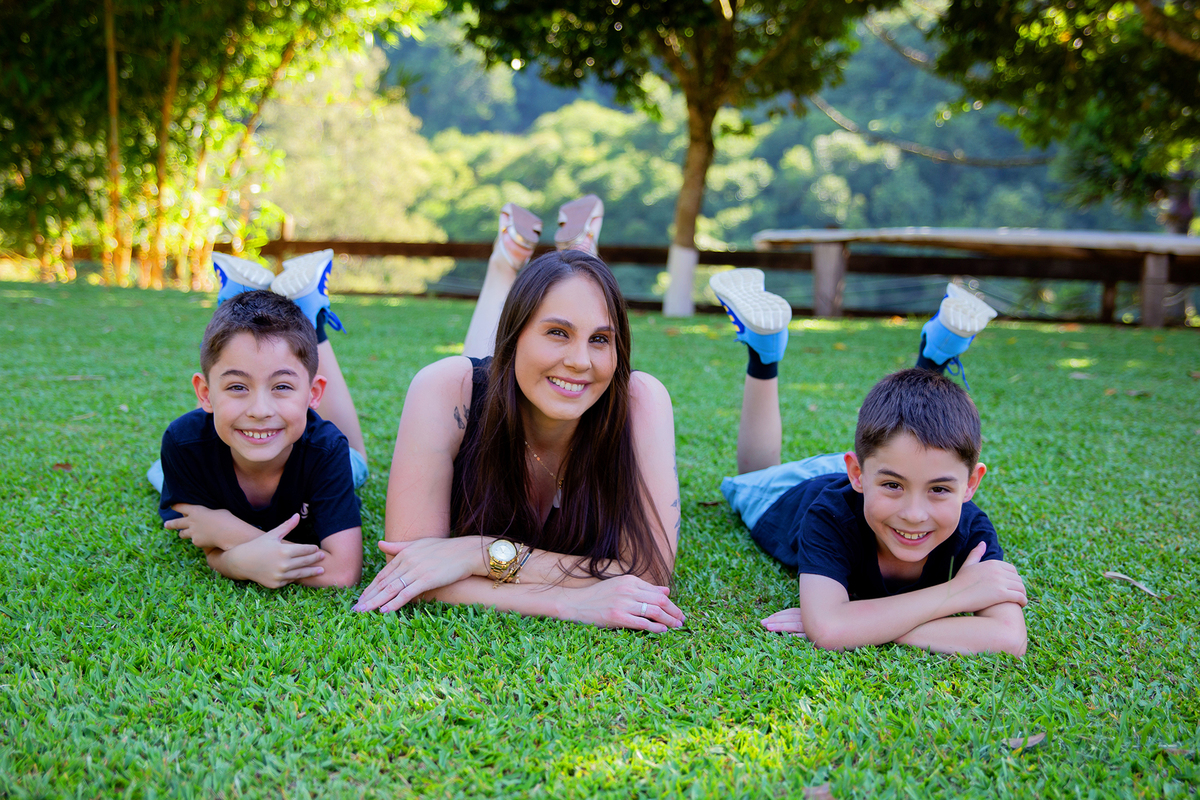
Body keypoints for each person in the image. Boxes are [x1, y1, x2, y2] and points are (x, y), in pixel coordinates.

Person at [353, 197, 685, 632]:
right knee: (482, 378)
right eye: (557, 333)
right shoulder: (443, 389)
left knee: (572, 299)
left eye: (601, 339)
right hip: (489, 386)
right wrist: (575, 603)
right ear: (512, 337)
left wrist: (477, 553)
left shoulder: (641, 399)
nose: (581, 360)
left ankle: (578, 254)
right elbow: (410, 569)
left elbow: (647, 574)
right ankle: (507, 262)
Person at [710, 269, 1027, 655]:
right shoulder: (828, 515)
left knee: (910, 438)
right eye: (895, 487)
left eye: (940, 490)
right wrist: (957, 593)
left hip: (886, 460)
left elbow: (1009, 639)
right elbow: (829, 629)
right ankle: (764, 350)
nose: (914, 514)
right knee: (754, 476)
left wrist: (862, 622)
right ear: (856, 474)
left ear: (971, 485)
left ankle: (937, 352)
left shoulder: (970, 527)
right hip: (794, 490)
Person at [151, 250, 368, 589]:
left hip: (312, 448)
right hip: (208, 447)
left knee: (357, 461)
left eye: (282, 386)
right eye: (237, 386)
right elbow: (206, 545)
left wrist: (230, 539)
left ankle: (310, 316)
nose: (260, 410)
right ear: (205, 394)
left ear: (313, 395)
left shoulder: (326, 451)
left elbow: (343, 573)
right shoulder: (183, 444)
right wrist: (232, 558)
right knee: (157, 472)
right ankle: (240, 302)